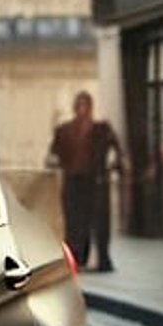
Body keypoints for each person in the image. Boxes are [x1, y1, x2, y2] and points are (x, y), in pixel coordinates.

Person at [46, 91, 121, 271]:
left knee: (98, 221)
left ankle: (102, 259)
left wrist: (114, 166)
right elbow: (52, 155)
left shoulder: (101, 130)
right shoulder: (64, 131)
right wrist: (56, 162)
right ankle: (77, 257)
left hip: (95, 181)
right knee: (74, 222)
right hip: (73, 181)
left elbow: (116, 150)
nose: (82, 111)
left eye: (86, 106)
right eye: (79, 106)